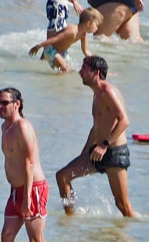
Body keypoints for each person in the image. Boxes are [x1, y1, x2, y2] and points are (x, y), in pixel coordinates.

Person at [55, 55, 135, 216]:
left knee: (123, 206)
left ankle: (132, 238)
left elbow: (124, 120)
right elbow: (96, 127)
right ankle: (70, 219)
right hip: (97, 151)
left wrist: (105, 145)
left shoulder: (108, 91)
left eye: (84, 68)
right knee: (63, 176)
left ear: (96, 72)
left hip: (114, 153)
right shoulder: (96, 93)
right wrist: (85, 152)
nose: (79, 72)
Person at [0, 88, 64, 242]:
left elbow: (29, 163)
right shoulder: (5, 127)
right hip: (15, 190)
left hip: (32, 189)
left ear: (17, 104)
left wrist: (27, 197)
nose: (0, 107)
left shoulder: (23, 127)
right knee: (7, 236)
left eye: (5, 103)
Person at [29, 8, 102, 72]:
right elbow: (54, 38)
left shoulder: (83, 34)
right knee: (65, 69)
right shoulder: (72, 31)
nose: (97, 28)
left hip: (62, 52)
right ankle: (58, 86)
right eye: (96, 25)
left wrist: (96, 64)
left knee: (73, 69)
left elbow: (86, 51)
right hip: (51, 49)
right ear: (88, 23)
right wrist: (38, 46)